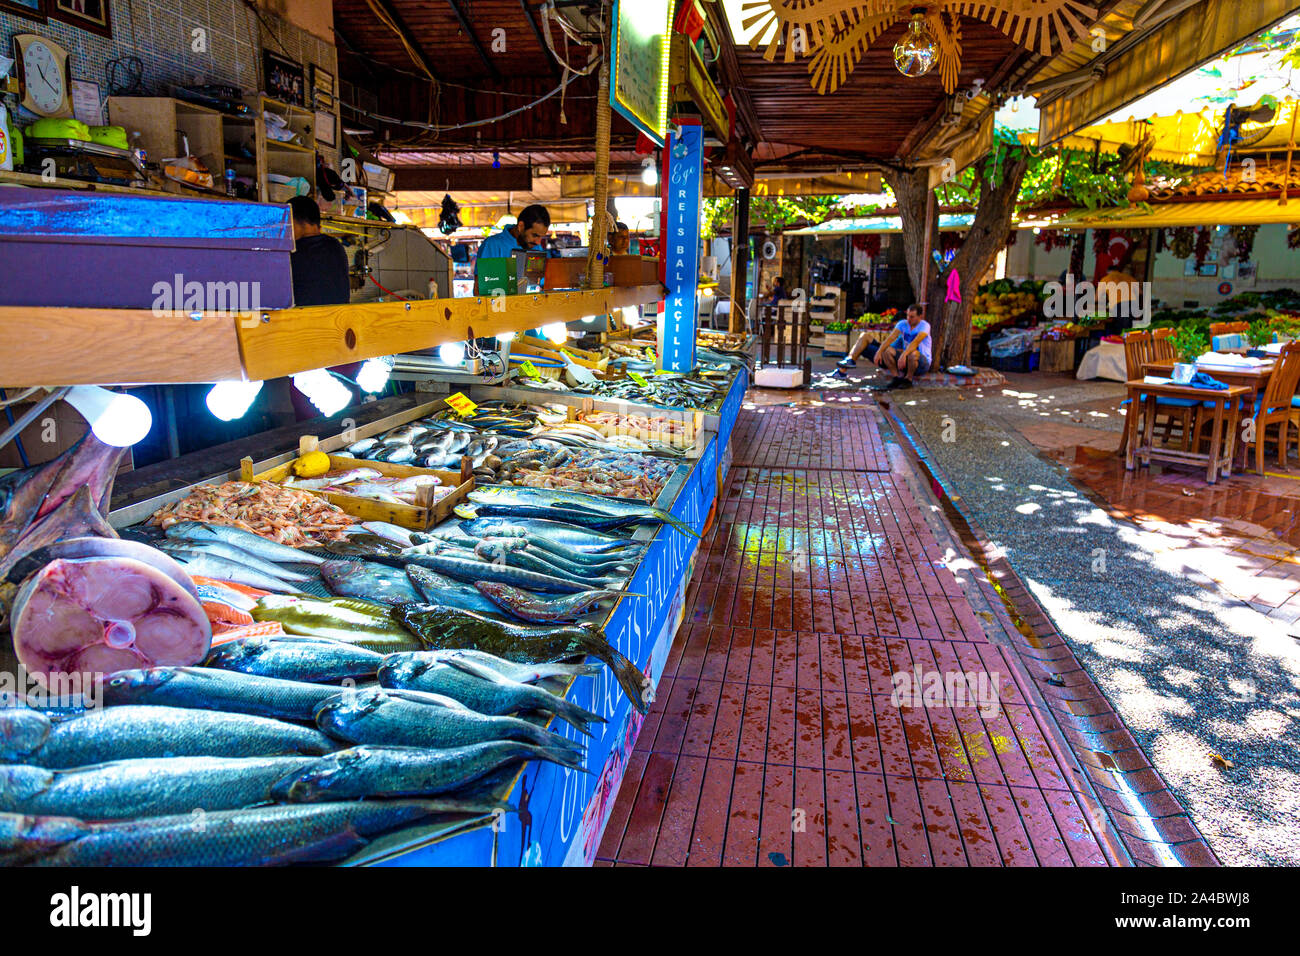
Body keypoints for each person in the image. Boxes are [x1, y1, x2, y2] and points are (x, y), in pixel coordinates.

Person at [285, 196, 356, 420]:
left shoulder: (292, 255)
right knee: (349, 417)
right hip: (343, 346)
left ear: (297, 223)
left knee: (311, 422)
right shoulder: (336, 248)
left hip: (310, 351)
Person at [835, 303, 931, 389]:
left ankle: (908, 380)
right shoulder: (903, 324)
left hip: (921, 363)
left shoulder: (924, 326)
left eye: (912, 317)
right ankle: (896, 378)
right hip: (904, 360)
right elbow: (890, 338)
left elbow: (915, 342)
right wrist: (879, 352)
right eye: (907, 316)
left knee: (913, 353)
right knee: (875, 343)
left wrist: (904, 354)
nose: (908, 319)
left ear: (920, 316)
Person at [288, 196, 350, 306]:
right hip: (338, 319)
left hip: (306, 319)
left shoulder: (294, 251)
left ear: (293, 221)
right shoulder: (335, 245)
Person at [475, 204, 551, 284]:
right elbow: (479, 288)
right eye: (535, 235)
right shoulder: (492, 245)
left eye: (541, 237)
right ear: (521, 226)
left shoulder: (536, 248)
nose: (538, 242)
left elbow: (540, 284)